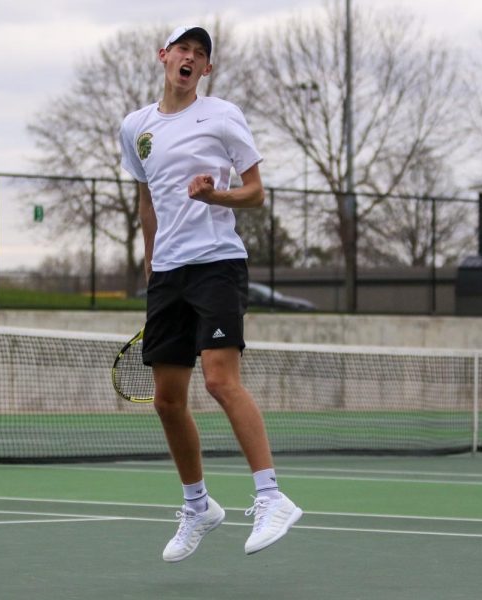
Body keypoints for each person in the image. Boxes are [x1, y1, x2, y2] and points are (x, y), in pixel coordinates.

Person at [119, 25, 302, 563]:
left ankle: (272, 496)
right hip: (168, 275)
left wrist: (215, 194)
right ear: (164, 56)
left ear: (207, 70)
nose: (191, 57)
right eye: (184, 49)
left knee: (221, 380)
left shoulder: (221, 116)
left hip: (217, 265)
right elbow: (146, 200)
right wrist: (152, 262)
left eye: (201, 54)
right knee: (167, 400)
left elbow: (256, 194)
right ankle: (198, 505)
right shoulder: (136, 127)